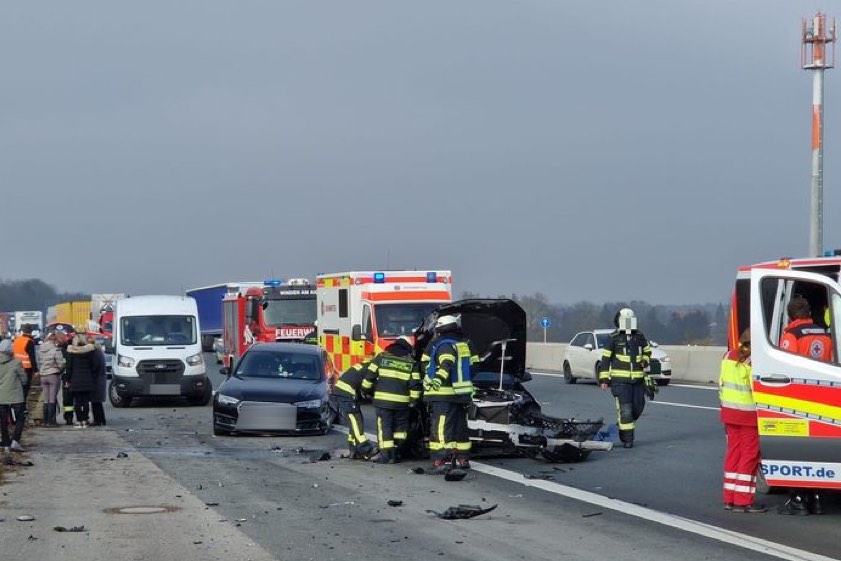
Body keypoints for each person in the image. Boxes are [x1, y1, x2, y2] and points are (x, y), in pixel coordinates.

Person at [778, 296, 832, 515]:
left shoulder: (791, 335)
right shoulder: (824, 333)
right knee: (817, 451)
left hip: (798, 399)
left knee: (796, 451)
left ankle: (798, 499)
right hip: (824, 398)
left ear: (791, 316)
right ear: (809, 313)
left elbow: (784, 365)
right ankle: (817, 499)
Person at [421, 314, 477, 474]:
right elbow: (474, 366)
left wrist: (435, 379)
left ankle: (441, 460)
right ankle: (462, 459)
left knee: (440, 427)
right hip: (461, 393)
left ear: (439, 330)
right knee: (460, 427)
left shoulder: (440, 344)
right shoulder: (465, 344)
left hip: (442, 393)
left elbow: (436, 364)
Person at [719, 330, 766, 513]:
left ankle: (729, 498)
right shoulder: (753, 362)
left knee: (734, 453)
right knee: (749, 455)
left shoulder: (727, 356)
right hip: (748, 415)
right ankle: (743, 500)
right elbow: (757, 391)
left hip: (729, 412)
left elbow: (721, 383)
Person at [361, 337, 422, 464]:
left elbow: (370, 376)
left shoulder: (381, 357)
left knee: (385, 428)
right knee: (399, 429)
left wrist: (365, 390)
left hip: (383, 401)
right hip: (402, 403)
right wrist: (414, 401)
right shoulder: (411, 362)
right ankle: (396, 453)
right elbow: (415, 385)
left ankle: (386, 456)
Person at [598, 308, 652, 449]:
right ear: (619, 322)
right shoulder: (613, 338)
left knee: (638, 407)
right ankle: (627, 439)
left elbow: (647, 351)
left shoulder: (639, 336)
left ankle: (622, 425)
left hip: (638, 380)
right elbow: (605, 359)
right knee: (626, 410)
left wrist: (645, 360)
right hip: (620, 382)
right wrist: (604, 380)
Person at [331, 360, 378, 460]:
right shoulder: (373, 370)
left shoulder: (367, 365)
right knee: (356, 421)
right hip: (346, 393)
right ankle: (365, 449)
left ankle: (354, 449)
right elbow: (368, 387)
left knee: (354, 421)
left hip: (343, 392)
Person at [65, 334, 103, 429]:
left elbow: (69, 367)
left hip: (75, 380)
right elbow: (95, 365)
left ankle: (79, 421)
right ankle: (85, 420)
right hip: (87, 379)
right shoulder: (90, 352)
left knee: (77, 401)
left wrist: (68, 379)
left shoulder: (71, 352)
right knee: (85, 401)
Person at [0, 338, 28, 454]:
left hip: (1, 397)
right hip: (16, 396)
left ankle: (5, 442)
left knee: (3, 421)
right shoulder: (16, 363)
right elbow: (24, 379)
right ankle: (15, 440)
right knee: (20, 418)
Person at [37, 332, 66, 427]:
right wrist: (61, 369)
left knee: (46, 399)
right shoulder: (56, 350)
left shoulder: (41, 349)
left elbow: (39, 362)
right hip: (53, 375)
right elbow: (60, 364)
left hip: (43, 375)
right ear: (55, 340)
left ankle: (45, 421)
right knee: (52, 398)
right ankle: (51, 421)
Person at [12, 323, 39, 401]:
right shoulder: (29, 341)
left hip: (15, 367)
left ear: (23, 331)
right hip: (26, 368)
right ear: (31, 331)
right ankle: (22, 405)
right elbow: (32, 357)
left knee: (17, 387)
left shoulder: (16, 340)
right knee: (25, 388)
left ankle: (16, 403)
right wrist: (36, 370)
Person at [90, 338, 108, 426]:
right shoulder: (99, 352)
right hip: (100, 379)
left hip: (96, 380)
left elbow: (94, 367)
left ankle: (97, 420)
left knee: (95, 402)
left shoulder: (95, 353)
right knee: (98, 402)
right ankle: (101, 420)